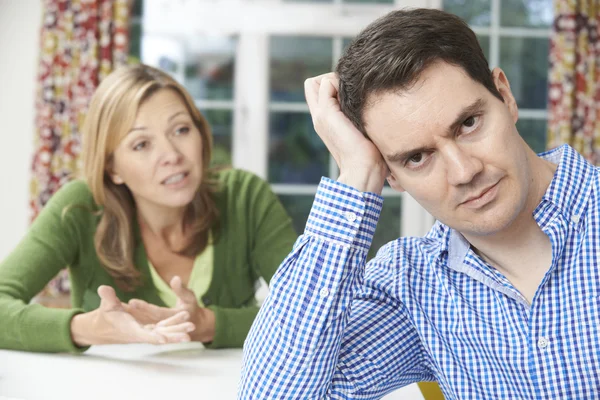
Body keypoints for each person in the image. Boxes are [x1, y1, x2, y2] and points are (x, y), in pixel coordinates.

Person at [239, 8, 600, 399]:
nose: (464, 171)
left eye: (468, 124)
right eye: (416, 157)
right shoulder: (412, 285)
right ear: (390, 175)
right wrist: (357, 176)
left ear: (505, 95)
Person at [0, 64, 296, 353]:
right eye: (141, 144)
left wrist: (208, 323)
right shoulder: (79, 208)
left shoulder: (245, 197)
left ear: (200, 133)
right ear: (111, 167)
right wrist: (88, 329)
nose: (171, 155)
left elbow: (309, 316)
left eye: (181, 129)